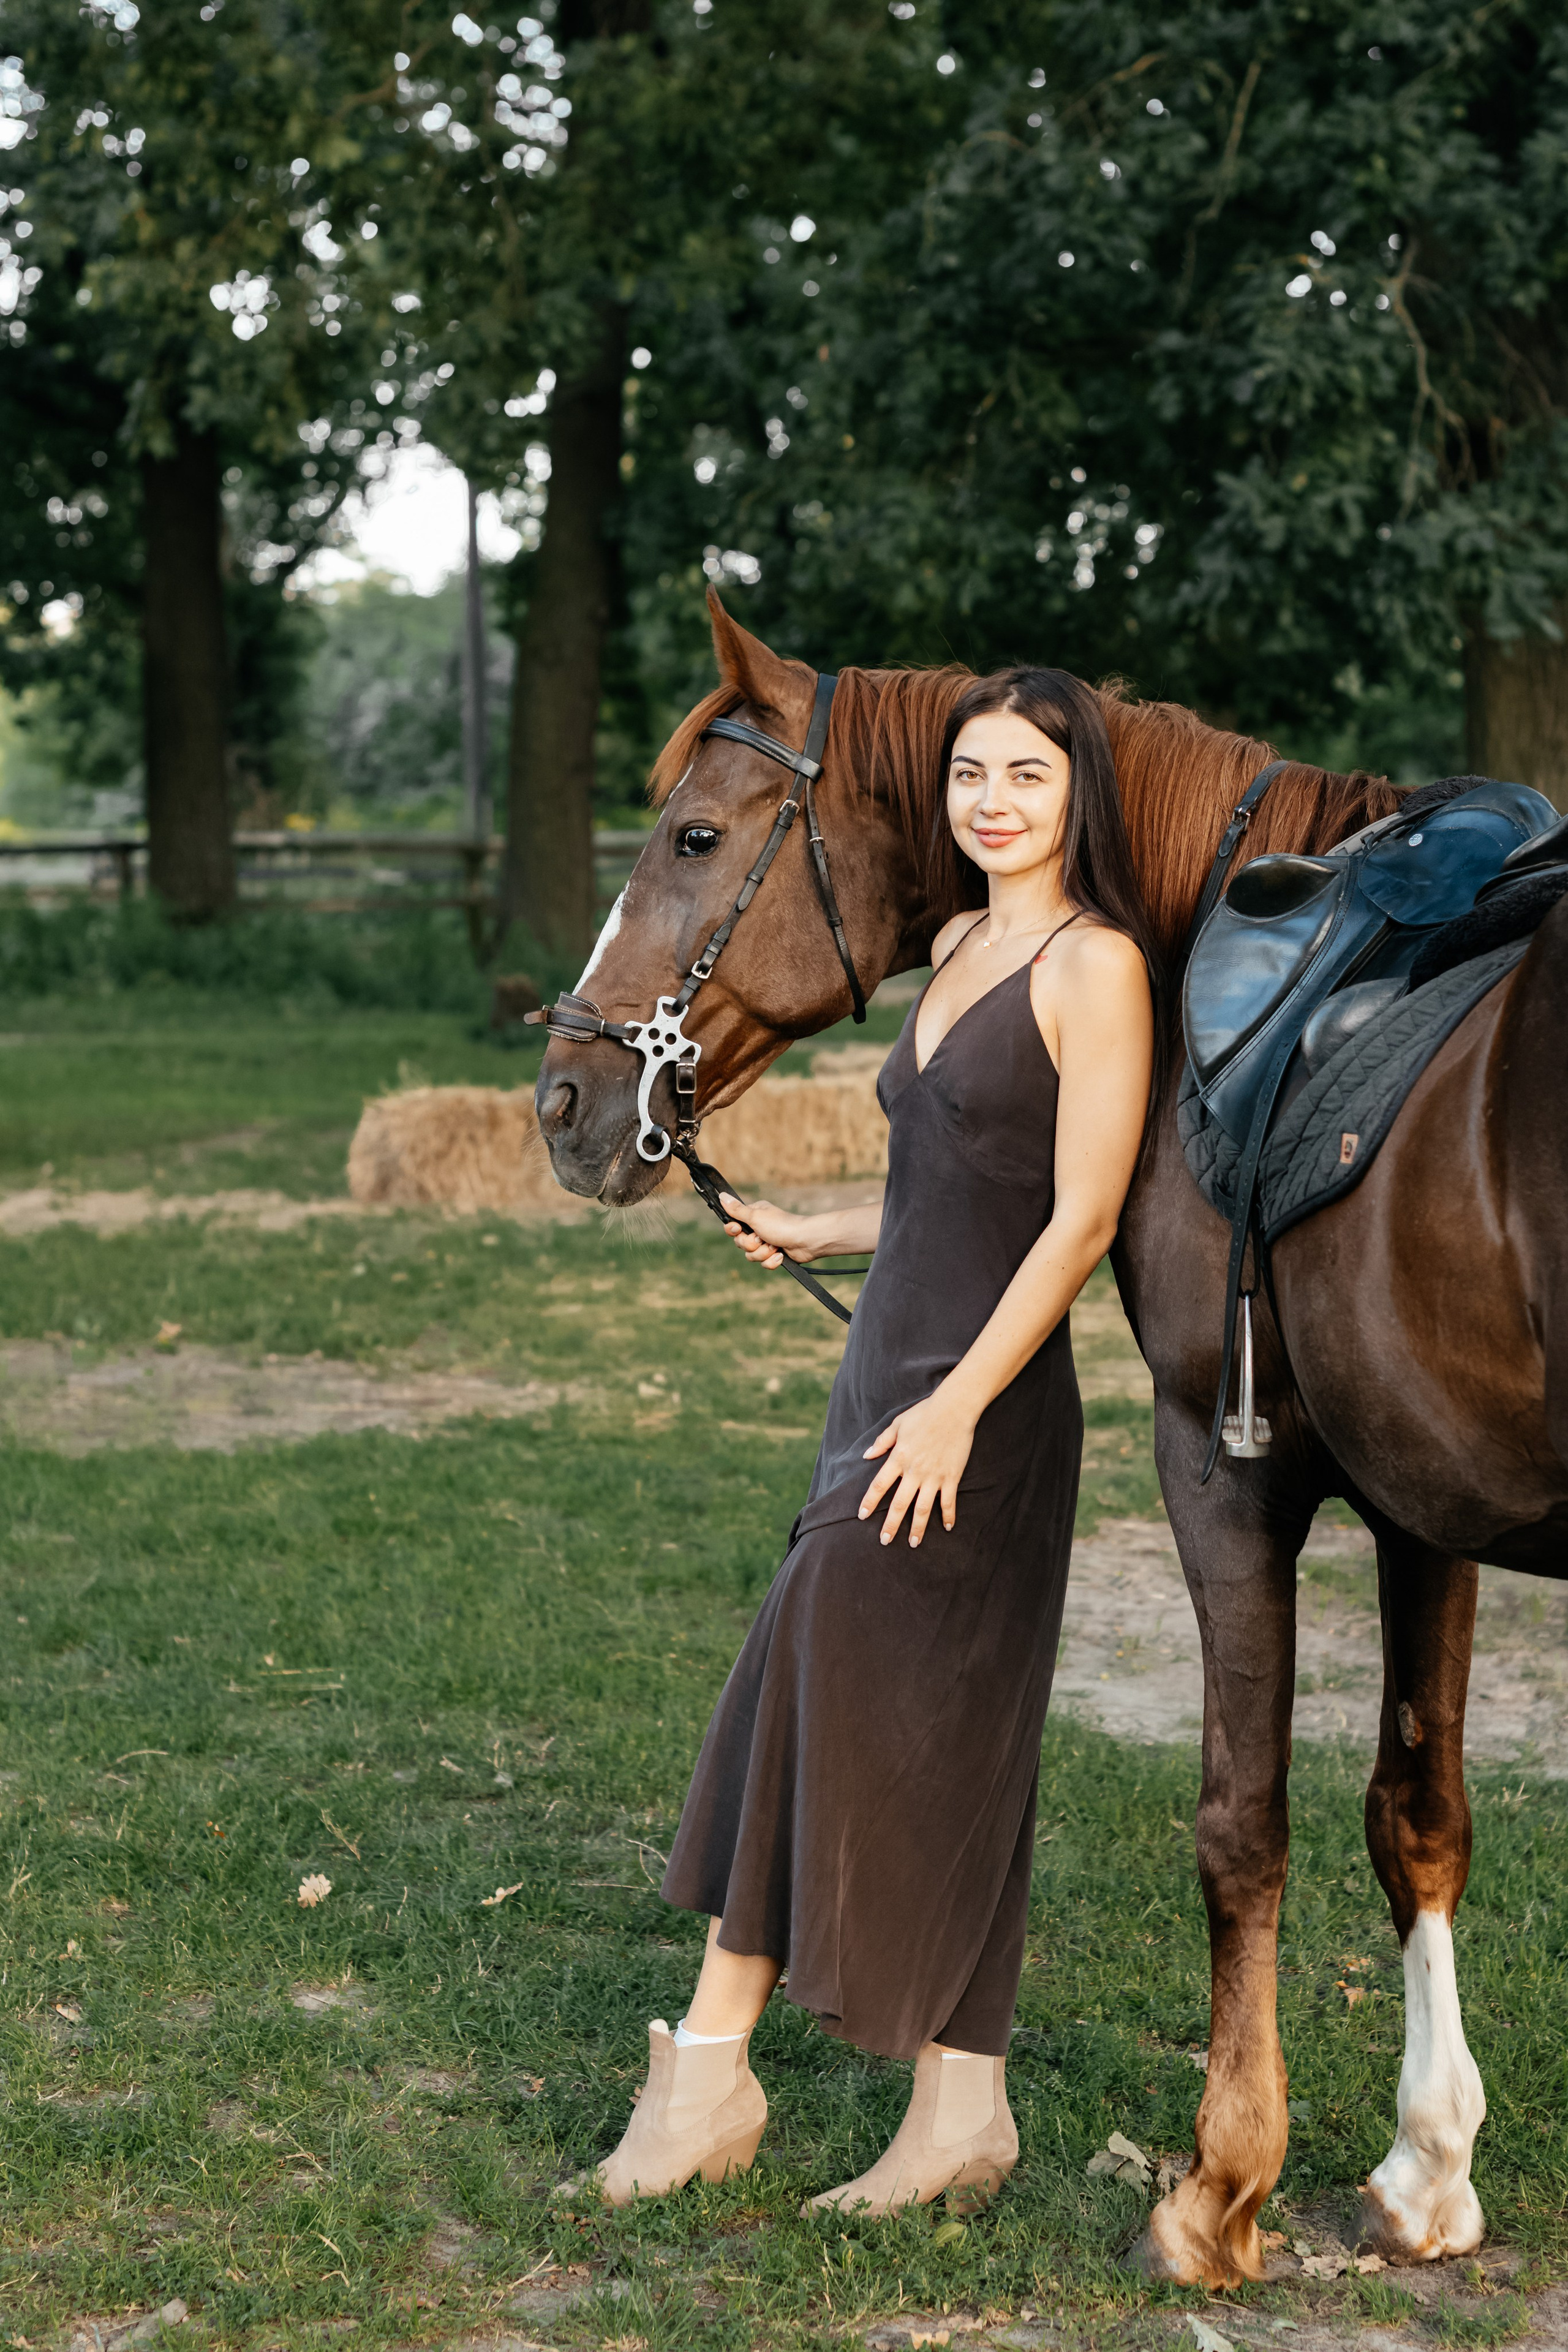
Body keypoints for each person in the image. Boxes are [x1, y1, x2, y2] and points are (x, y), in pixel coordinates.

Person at [581, 668, 1157, 2216]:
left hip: (978, 1410)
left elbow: (1082, 1215)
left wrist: (961, 1405)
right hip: (880, 1381)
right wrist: (810, 1217)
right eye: (971, 772)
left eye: (1026, 776)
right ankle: (960, 2112)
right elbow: (938, 1184)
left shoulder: (1094, 966)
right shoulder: (958, 944)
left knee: (816, 1657)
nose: (991, 801)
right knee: (903, 1725)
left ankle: (705, 2071)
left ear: (1075, 794)